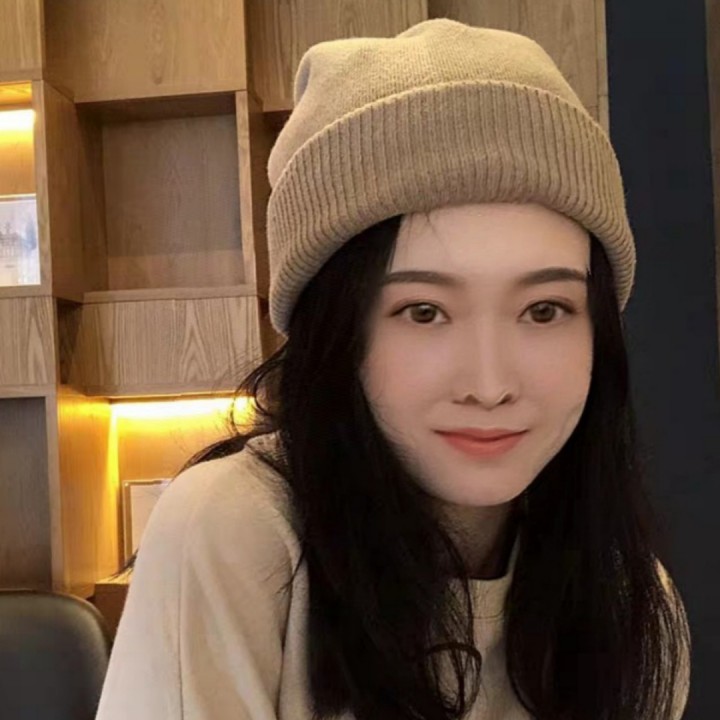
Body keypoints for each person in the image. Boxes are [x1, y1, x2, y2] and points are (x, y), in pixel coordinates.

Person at [94, 18, 691, 720]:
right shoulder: (237, 533)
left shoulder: (629, 602)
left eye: (544, 310)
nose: (490, 384)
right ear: (337, 333)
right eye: (424, 312)